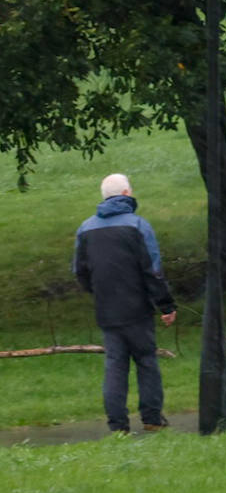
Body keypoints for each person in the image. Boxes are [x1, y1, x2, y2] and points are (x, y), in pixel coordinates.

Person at [72, 173, 177, 434]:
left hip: (107, 310)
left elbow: (80, 271)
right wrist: (165, 305)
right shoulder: (138, 226)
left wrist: (97, 292)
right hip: (138, 309)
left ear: (104, 196)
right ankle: (152, 418)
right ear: (127, 194)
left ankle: (117, 425)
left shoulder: (85, 229)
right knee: (146, 362)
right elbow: (152, 269)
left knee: (115, 366)